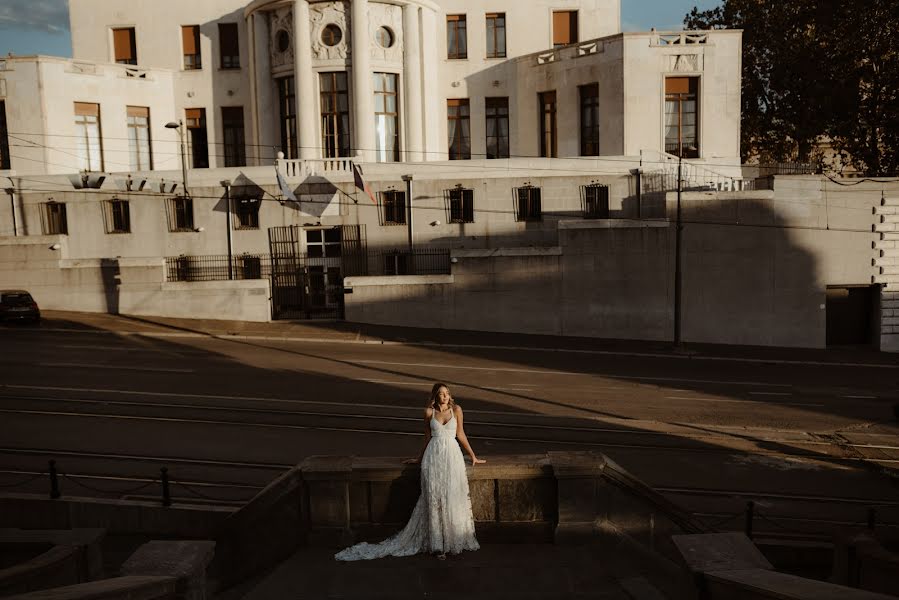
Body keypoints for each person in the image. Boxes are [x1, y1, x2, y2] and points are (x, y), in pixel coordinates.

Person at [335, 382, 486, 561]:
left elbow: (460, 434)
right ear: (435, 396)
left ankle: (453, 540)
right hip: (433, 459)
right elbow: (427, 438)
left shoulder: (457, 410)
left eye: (447, 393)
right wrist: (419, 458)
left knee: (452, 496)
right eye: (440, 393)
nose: (444, 396)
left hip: (453, 458)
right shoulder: (429, 413)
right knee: (434, 498)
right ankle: (438, 545)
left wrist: (473, 455)